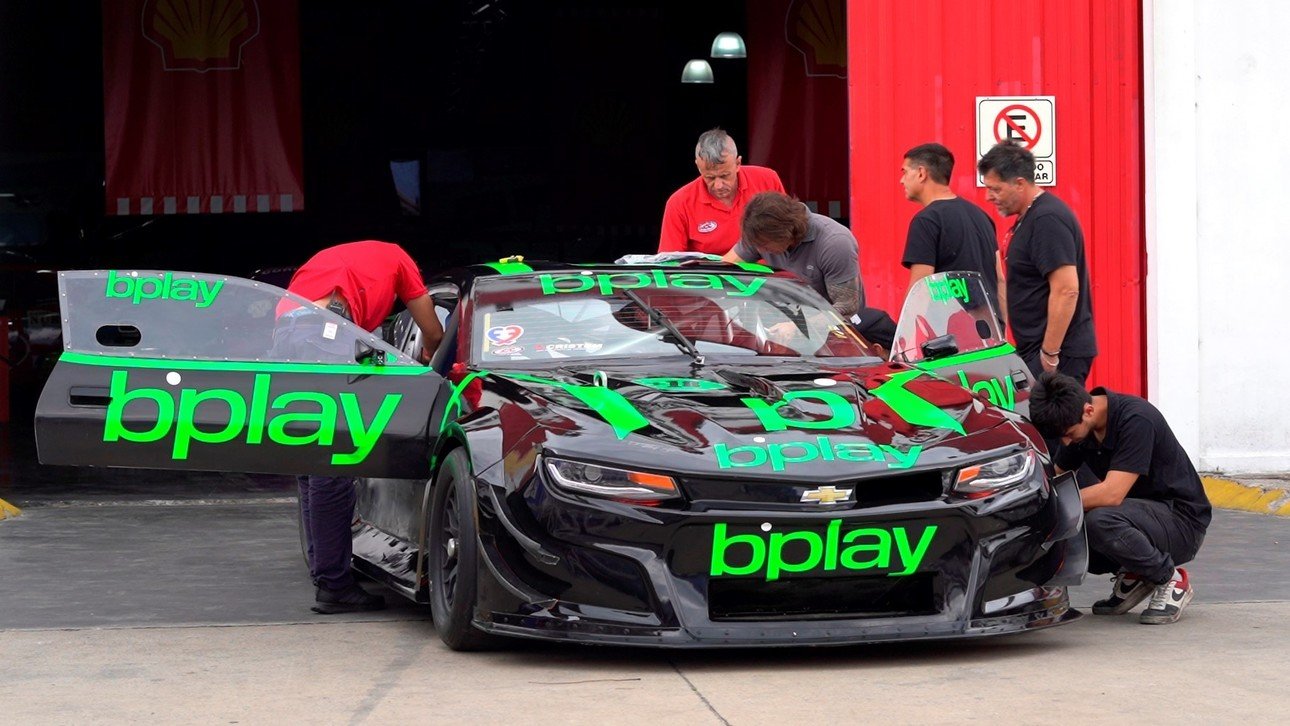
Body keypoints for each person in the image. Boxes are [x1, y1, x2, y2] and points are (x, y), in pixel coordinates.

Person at [275, 240, 444, 614]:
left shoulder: (352, 258)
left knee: (313, 455)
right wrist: (432, 354)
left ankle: (324, 568)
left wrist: (389, 362)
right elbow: (431, 329)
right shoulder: (400, 259)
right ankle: (334, 584)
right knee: (335, 462)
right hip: (322, 330)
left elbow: (362, 348)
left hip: (288, 331)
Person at [1029, 372, 1211, 624]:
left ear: (1088, 411)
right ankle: (1136, 575)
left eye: (1069, 434)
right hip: (1139, 516)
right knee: (1069, 532)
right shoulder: (1080, 426)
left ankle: (1169, 578)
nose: (1066, 441)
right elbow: (1057, 478)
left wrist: (1050, 504)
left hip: (1181, 522)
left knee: (1098, 520)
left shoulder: (1137, 419)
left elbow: (1112, 493)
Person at [977, 141, 1096, 384]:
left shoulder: (1046, 219)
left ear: (1020, 184)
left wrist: (1050, 354)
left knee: (1055, 422)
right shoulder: (1029, 217)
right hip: (1037, 350)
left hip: (1057, 353)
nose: (989, 197)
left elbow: (1066, 289)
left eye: (996, 189)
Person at [719, 192, 893, 349]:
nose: (759, 249)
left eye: (764, 245)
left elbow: (848, 307)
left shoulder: (835, 243)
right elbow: (724, 270)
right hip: (779, 333)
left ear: (785, 233)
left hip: (832, 341)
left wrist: (798, 326)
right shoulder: (761, 235)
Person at [899, 143, 1003, 309]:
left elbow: (920, 291)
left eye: (905, 172)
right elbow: (1000, 279)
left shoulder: (926, 221)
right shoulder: (982, 216)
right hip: (987, 329)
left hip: (949, 330)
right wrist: (1000, 331)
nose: (901, 180)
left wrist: (905, 334)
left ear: (921, 173)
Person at [658, 128, 786, 256]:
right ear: (698, 167)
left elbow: (788, 232)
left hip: (767, 271)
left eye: (725, 175)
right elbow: (669, 262)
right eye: (710, 177)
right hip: (709, 274)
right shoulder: (679, 203)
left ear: (738, 163)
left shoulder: (768, 180)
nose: (718, 185)